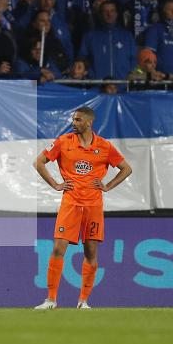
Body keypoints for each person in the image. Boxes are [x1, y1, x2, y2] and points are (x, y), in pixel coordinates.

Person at [33, 106, 133, 309]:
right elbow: (39, 162)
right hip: (70, 203)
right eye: (73, 119)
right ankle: (51, 300)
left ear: (89, 122)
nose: (74, 123)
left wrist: (108, 186)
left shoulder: (104, 146)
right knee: (58, 248)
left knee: (90, 253)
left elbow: (126, 168)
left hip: (93, 206)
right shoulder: (63, 142)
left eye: (78, 120)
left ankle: (83, 301)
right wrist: (55, 184)